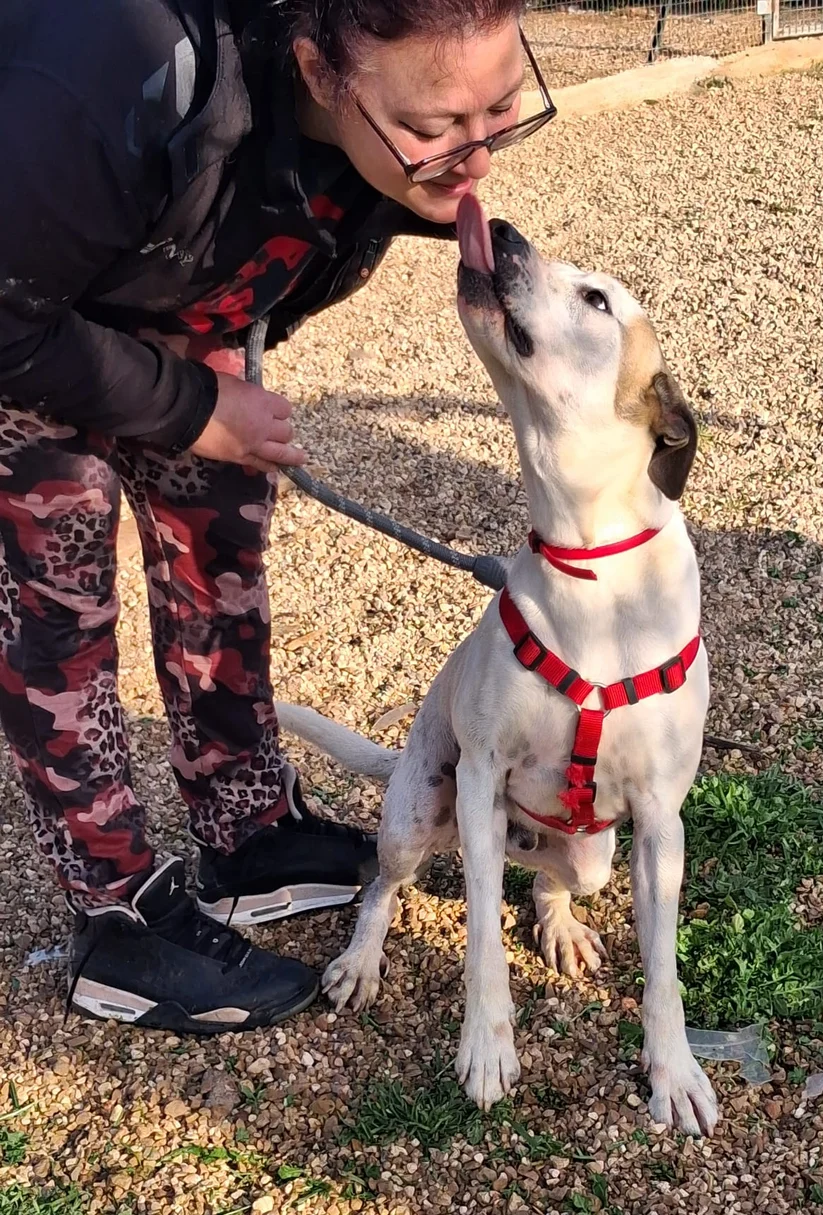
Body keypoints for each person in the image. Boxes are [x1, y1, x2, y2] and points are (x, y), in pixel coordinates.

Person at [0, 0, 555, 1033]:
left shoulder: (368, 123)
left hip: (136, 276)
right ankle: (117, 920)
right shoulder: (119, 59)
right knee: (58, 583)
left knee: (222, 531)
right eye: (435, 127)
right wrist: (195, 406)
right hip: (16, 299)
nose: (473, 156)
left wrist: (418, 184)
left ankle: (246, 826)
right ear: (316, 66)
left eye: (502, 109)